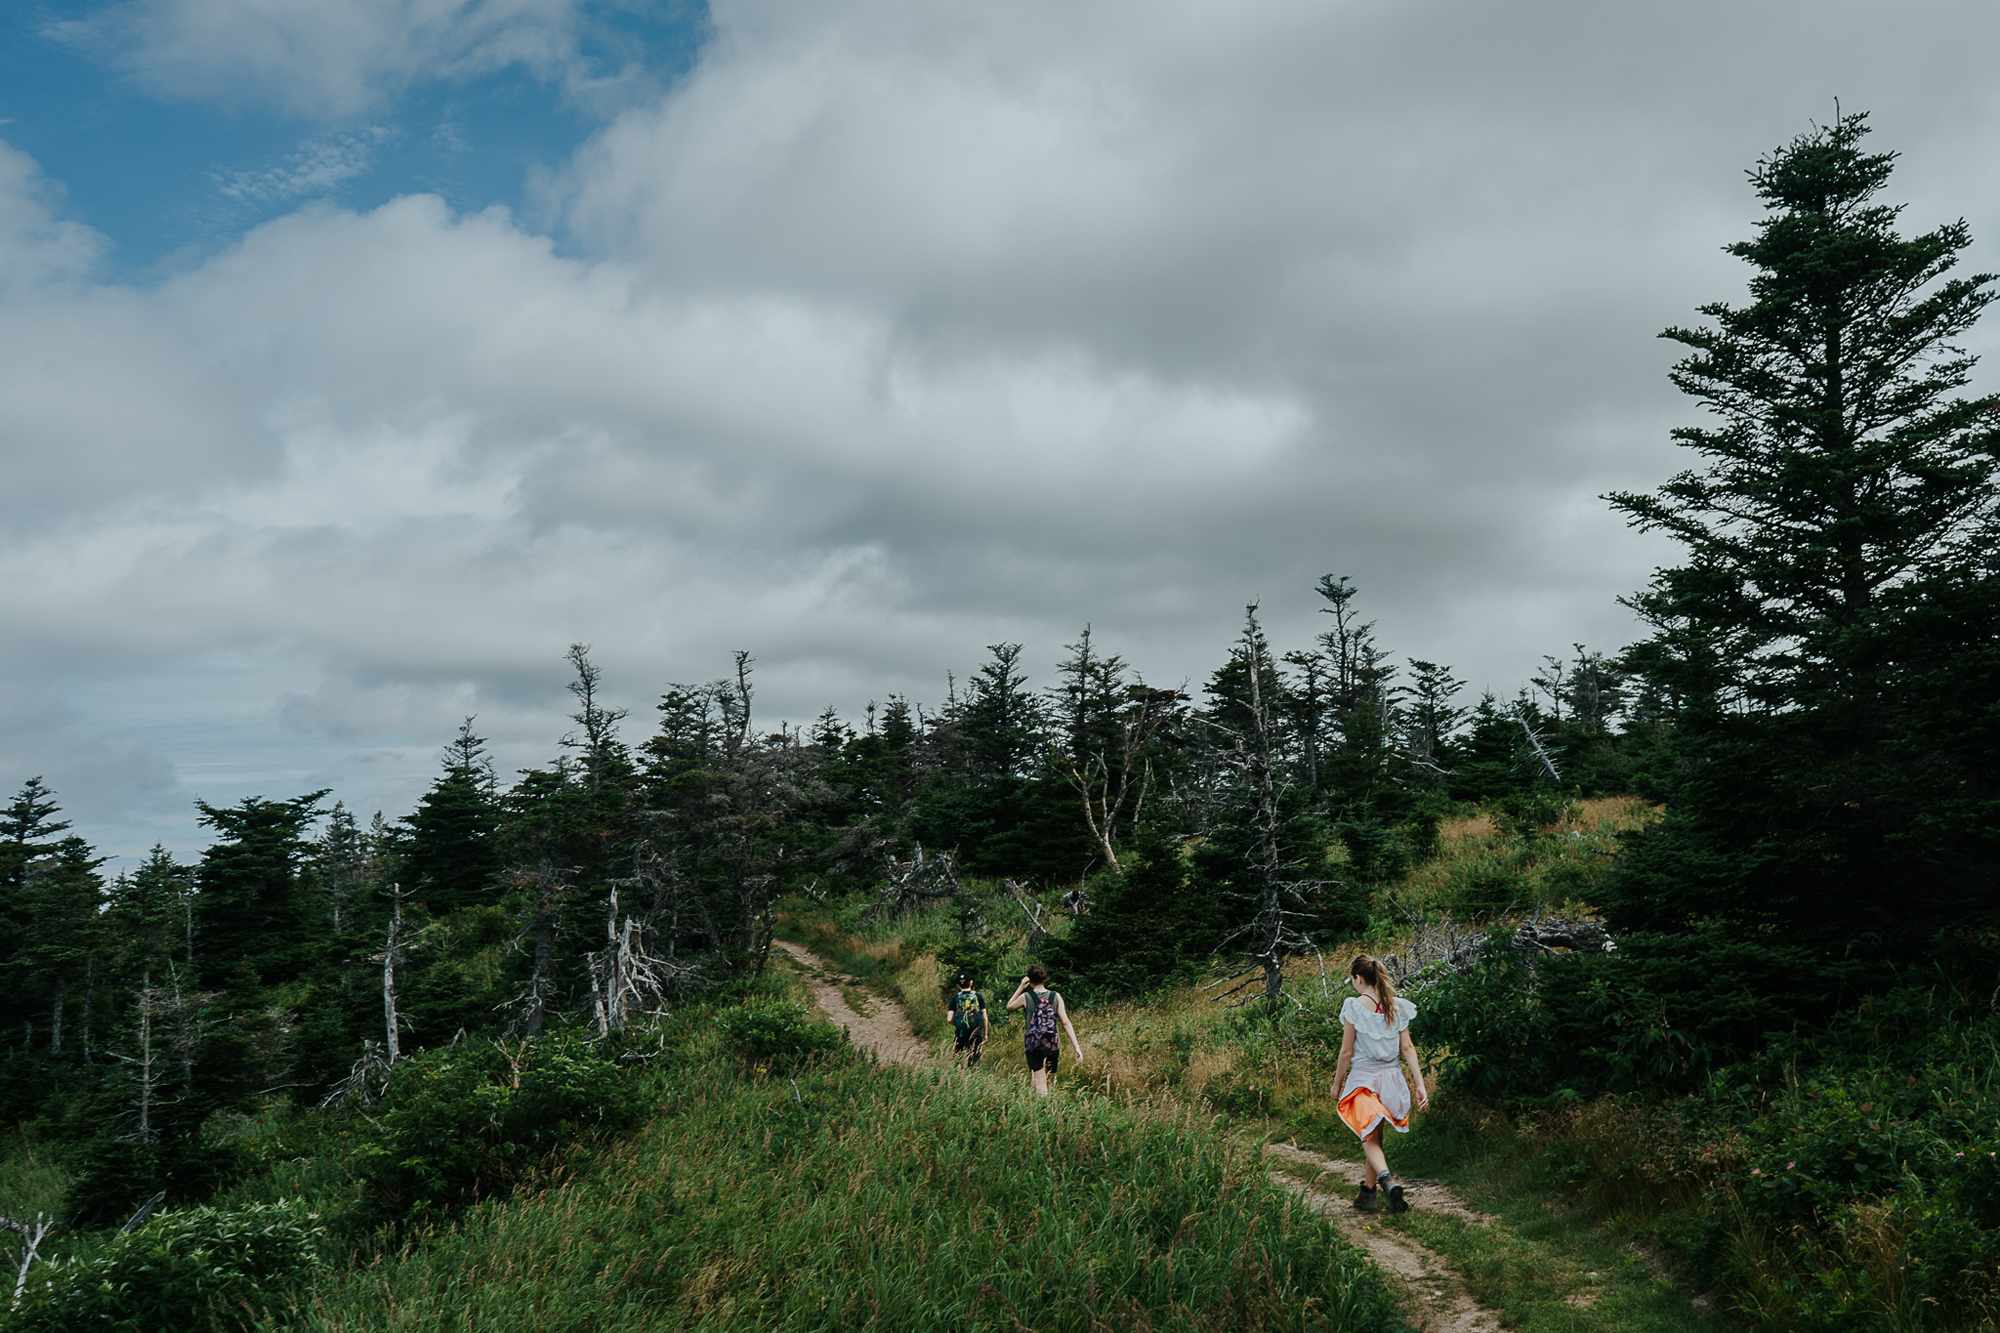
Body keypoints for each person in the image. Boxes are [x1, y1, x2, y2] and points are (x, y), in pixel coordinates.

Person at [1331, 954, 1427, 1213]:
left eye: (1352, 979)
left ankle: (1386, 1179)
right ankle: (1368, 1193)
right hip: (1392, 1080)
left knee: (1366, 1133)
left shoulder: (1353, 1006)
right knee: (1373, 1135)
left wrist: (1337, 1084)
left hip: (1363, 1080)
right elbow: (1407, 1048)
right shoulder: (1396, 1006)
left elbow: (1346, 1053)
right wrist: (1420, 1084)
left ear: (1358, 978)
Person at [1006, 965, 1083, 1096]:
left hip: (1033, 1045)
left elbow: (1009, 1006)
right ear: (1045, 979)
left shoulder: (1026, 996)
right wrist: (1076, 1047)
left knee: (1039, 1085)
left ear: (1029, 981)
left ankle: (1043, 1110)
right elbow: (1065, 1022)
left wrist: (1021, 987)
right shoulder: (1056, 996)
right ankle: (1050, 1108)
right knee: (1047, 1081)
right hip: (1052, 1045)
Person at [944, 969, 989, 1068]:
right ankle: (972, 1078)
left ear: (958, 985)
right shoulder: (978, 996)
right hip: (976, 1033)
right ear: (971, 983)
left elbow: (949, 1019)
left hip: (960, 1033)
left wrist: (958, 1024)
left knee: (957, 1060)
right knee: (974, 1062)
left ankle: (957, 1079)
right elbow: (984, 1017)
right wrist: (985, 1034)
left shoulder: (954, 998)